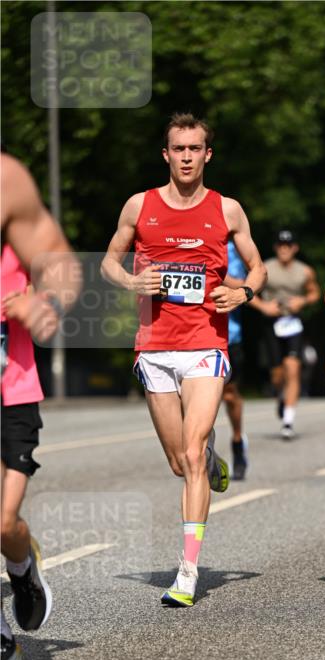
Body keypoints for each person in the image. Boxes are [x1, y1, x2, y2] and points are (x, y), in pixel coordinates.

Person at [101, 112, 266, 608]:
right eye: (179, 149)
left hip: (205, 345)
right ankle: (210, 457)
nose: (188, 156)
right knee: (180, 461)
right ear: (167, 154)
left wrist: (245, 293)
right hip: (154, 346)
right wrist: (131, 281)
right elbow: (109, 259)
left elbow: (255, 266)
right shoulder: (140, 205)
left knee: (191, 454)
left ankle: (188, 571)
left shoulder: (228, 210)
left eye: (196, 148)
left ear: (207, 155)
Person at [1, 151, 81, 660]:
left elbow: (57, 258)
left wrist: (46, 299)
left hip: (9, 386)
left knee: (2, 521)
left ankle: (22, 566)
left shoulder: (5, 180)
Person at [250, 230, 320, 439]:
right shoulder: (265, 268)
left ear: (295, 248)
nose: (284, 249)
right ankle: (280, 396)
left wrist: (303, 301)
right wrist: (263, 306)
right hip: (271, 322)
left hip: (293, 323)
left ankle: (288, 422)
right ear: (275, 247)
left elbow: (315, 292)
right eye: (280, 245)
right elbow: (246, 291)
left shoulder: (305, 271)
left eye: (288, 245)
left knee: (293, 367)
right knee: (278, 374)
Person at [224, 240, 249, 479]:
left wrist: (206, 269)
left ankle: (238, 440)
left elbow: (239, 285)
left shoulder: (231, 248)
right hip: (187, 334)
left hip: (228, 334)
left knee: (229, 395)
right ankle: (199, 452)